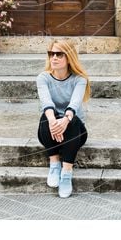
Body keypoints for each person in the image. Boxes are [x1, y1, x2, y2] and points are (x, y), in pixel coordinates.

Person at [35, 39, 90, 198]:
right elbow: (47, 102)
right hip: (51, 130)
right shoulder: (43, 78)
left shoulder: (79, 79)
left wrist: (65, 120)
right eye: (51, 54)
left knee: (71, 120)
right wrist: (54, 122)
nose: (54, 58)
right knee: (46, 117)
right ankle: (54, 164)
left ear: (69, 57)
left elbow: (74, 103)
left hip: (75, 131)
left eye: (59, 54)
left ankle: (66, 173)